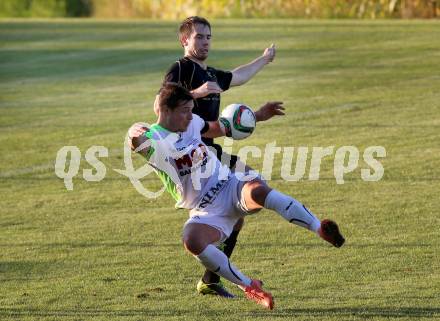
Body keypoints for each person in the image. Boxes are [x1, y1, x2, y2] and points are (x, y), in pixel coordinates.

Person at [129, 83, 345, 310]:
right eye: (185, 110)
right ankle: (249, 287)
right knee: (191, 240)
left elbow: (218, 128)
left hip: (229, 183)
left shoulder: (191, 123)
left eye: (191, 110)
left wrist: (258, 116)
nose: (190, 116)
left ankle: (319, 228)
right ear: (166, 110)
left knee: (258, 192)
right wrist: (135, 130)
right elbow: (137, 140)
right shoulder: (155, 141)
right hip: (206, 209)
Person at [153, 16, 278, 298]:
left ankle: (211, 278)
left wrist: (264, 59)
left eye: (209, 36)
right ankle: (212, 273)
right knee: (245, 199)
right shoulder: (180, 69)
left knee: (247, 200)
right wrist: (194, 94)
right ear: (185, 40)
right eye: (199, 37)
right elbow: (159, 105)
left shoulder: (211, 75)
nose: (206, 41)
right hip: (193, 158)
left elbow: (239, 76)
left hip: (212, 152)